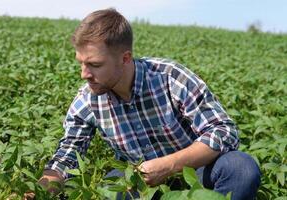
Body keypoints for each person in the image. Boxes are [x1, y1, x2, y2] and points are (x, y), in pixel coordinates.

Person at [25, 8, 261, 200]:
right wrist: (38, 190)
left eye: (95, 65)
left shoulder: (170, 77)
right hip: (141, 182)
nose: (84, 74)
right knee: (110, 187)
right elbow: (67, 157)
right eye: (81, 63)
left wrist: (168, 166)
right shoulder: (87, 101)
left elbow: (224, 132)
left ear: (125, 58)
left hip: (196, 173)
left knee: (241, 169)